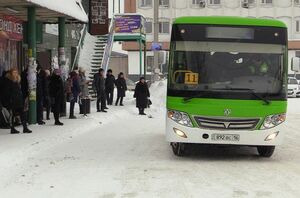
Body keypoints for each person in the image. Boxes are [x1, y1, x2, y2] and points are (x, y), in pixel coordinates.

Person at [1, 68, 32, 134]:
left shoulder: (17, 80)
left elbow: (18, 91)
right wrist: (9, 100)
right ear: (11, 73)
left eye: (16, 72)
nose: (15, 73)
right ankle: (12, 128)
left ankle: (25, 128)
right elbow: (6, 92)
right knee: (12, 115)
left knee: (22, 114)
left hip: (18, 100)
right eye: (14, 72)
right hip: (11, 101)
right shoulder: (7, 81)